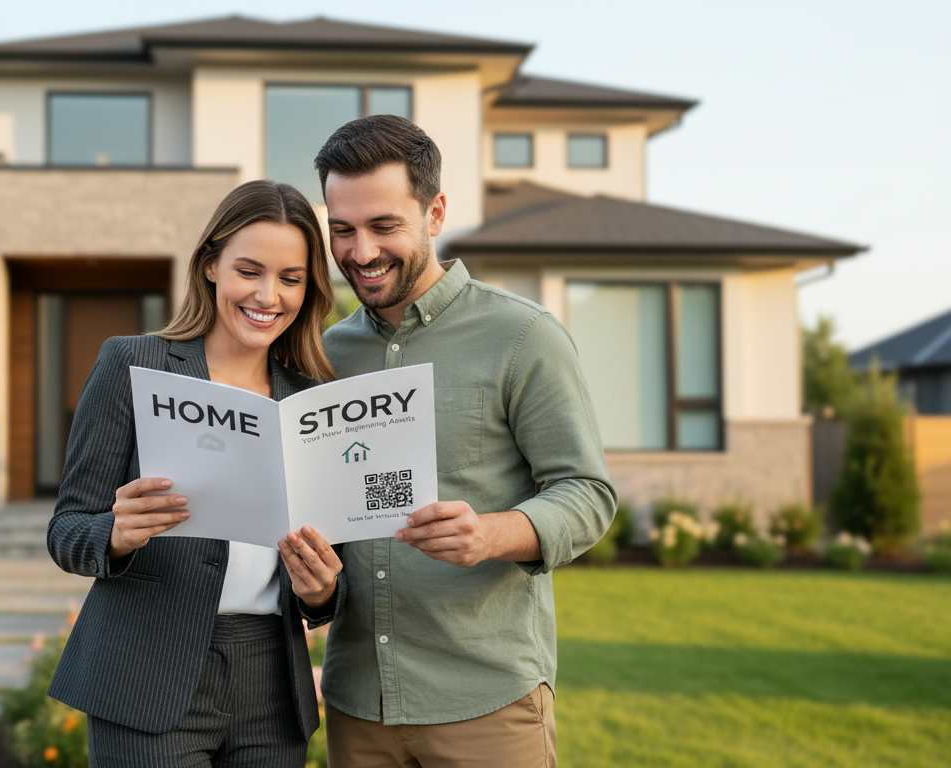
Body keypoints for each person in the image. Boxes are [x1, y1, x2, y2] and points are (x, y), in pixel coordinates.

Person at [313, 115, 617, 767]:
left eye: (384, 226)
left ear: (435, 213)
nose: (361, 252)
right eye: (342, 230)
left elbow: (587, 493)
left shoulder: (523, 336)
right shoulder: (326, 355)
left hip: (487, 702)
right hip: (358, 703)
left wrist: (492, 534)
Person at [45, 179, 348, 768]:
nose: (268, 295)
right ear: (211, 264)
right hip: (147, 675)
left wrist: (324, 592)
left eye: (290, 278)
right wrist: (116, 533)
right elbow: (66, 531)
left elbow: (335, 562)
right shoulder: (133, 364)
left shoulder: (312, 400)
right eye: (249, 271)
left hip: (272, 687)